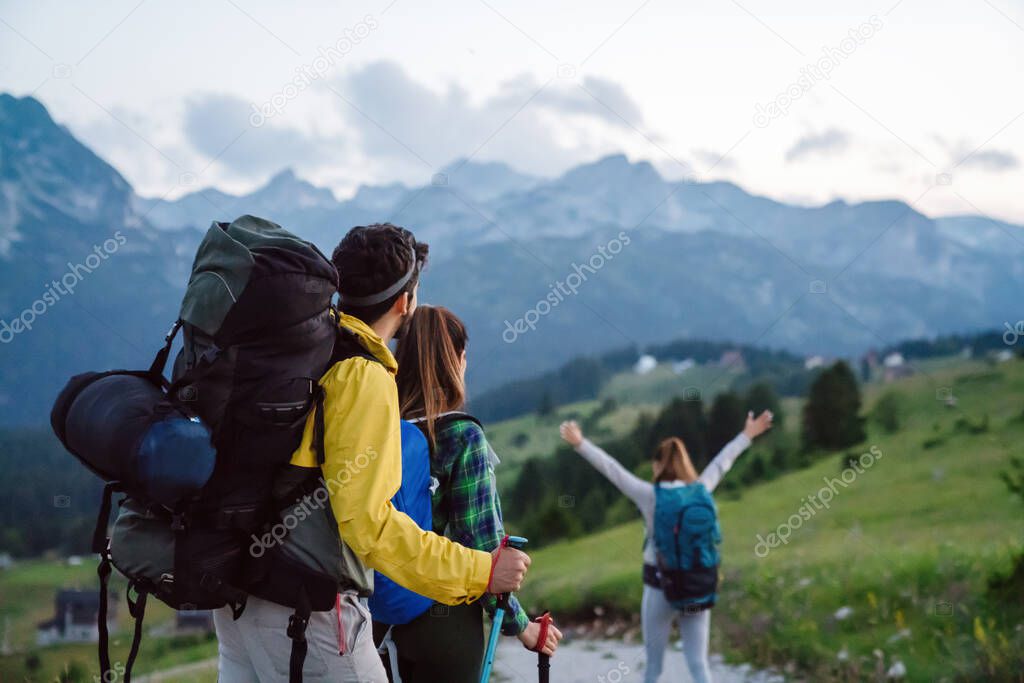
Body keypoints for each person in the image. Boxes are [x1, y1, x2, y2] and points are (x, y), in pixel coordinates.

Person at [214, 224, 531, 682]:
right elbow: (370, 527)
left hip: (239, 599)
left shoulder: (309, 349)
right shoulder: (362, 372)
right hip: (310, 609)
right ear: (406, 302)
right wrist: (482, 570)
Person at [369, 305, 562, 681]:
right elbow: (485, 548)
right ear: (456, 360)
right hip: (444, 620)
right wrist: (523, 627)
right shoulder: (462, 436)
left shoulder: (376, 429)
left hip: (376, 613)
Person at [559, 410, 773, 683]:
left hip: (660, 587)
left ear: (659, 464)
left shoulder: (650, 496)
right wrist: (748, 434)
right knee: (698, 664)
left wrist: (580, 443)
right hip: (698, 584)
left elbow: (613, 470)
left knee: (653, 668)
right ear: (685, 463)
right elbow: (723, 461)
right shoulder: (702, 489)